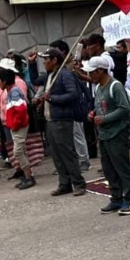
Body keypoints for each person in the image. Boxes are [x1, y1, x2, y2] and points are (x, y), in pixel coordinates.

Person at [86, 55, 130, 214]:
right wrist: (93, 114)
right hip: (103, 134)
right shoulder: (98, 87)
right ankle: (116, 198)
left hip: (117, 133)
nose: (89, 75)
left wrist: (105, 118)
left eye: (92, 72)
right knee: (109, 169)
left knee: (122, 168)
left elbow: (125, 109)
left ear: (101, 70)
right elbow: (101, 106)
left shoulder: (115, 86)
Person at [36, 48, 86, 197]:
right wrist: (32, 65)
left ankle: (78, 183)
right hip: (50, 119)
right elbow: (35, 80)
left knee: (67, 153)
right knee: (56, 154)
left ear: (54, 60)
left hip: (62, 119)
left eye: (46, 59)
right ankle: (64, 183)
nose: (44, 62)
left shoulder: (65, 74)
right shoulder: (50, 75)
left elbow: (73, 94)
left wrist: (52, 98)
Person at [0, 58, 35, 190]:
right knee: (19, 151)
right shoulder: (11, 91)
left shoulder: (15, 91)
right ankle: (27, 175)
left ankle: (29, 177)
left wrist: (15, 125)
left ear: (5, 81)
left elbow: (21, 110)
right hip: (14, 125)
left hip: (18, 126)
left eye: (0, 80)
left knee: (18, 151)